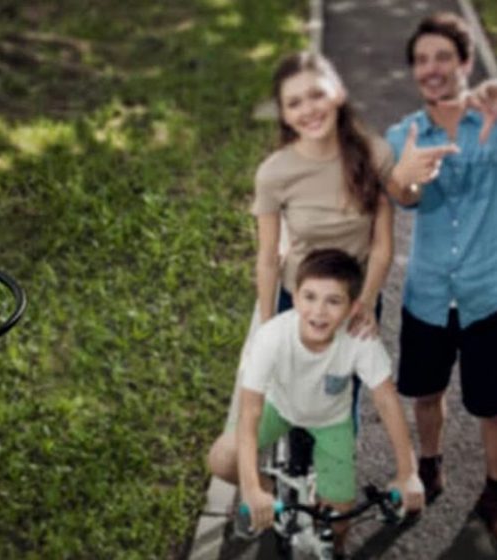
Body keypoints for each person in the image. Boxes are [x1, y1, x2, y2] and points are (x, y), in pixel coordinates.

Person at [207, 249, 424, 557]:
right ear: (294, 298)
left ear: (352, 308)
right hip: (277, 407)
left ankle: (332, 546)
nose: (318, 312)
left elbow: (387, 402)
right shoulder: (271, 337)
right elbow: (251, 410)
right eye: (309, 297)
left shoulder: (360, 340)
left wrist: (408, 472)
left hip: (330, 420)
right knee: (221, 458)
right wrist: (253, 487)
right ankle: (269, 491)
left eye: (333, 301)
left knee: (338, 523)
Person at [384, 11, 497, 536]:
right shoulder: (402, 133)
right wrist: (404, 181)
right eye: (422, 60)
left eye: (443, 58)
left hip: (488, 292)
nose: (431, 69)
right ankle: (430, 466)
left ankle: (494, 489)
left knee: (491, 406)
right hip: (427, 293)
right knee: (426, 394)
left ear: (466, 63)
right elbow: (403, 196)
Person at [254, 51, 395, 337]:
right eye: (294, 103)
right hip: (298, 304)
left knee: (345, 383)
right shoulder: (273, 173)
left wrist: (366, 303)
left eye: (316, 95)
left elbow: (381, 246)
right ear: (284, 115)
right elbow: (268, 257)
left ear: (338, 94)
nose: (308, 110)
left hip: (356, 302)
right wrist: (266, 328)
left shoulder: (376, 155)